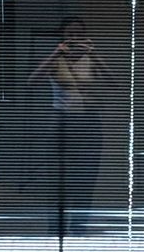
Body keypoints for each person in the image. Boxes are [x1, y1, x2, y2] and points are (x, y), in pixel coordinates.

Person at [27, 17, 112, 234]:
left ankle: (79, 228)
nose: (74, 39)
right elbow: (32, 81)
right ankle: (55, 229)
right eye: (70, 34)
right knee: (57, 178)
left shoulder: (91, 59)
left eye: (78, 35)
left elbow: (113, 82)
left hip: (89, 122)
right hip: (62, 121)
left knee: (87, 175)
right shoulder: (56, 60)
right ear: (63, 37)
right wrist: (56, 53)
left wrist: (94, 53)